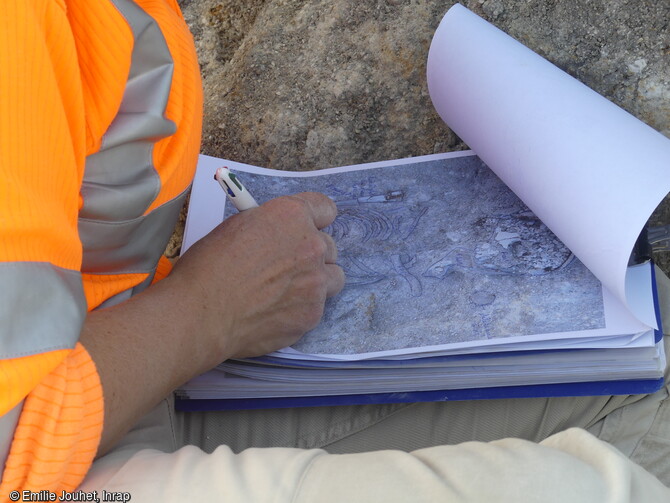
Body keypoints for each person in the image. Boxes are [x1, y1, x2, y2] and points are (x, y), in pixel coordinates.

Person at [1, 1, 669, 501]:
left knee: (654, 354)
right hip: (48, 470)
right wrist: (207, 308)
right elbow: (14, 440)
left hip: (114, 386)